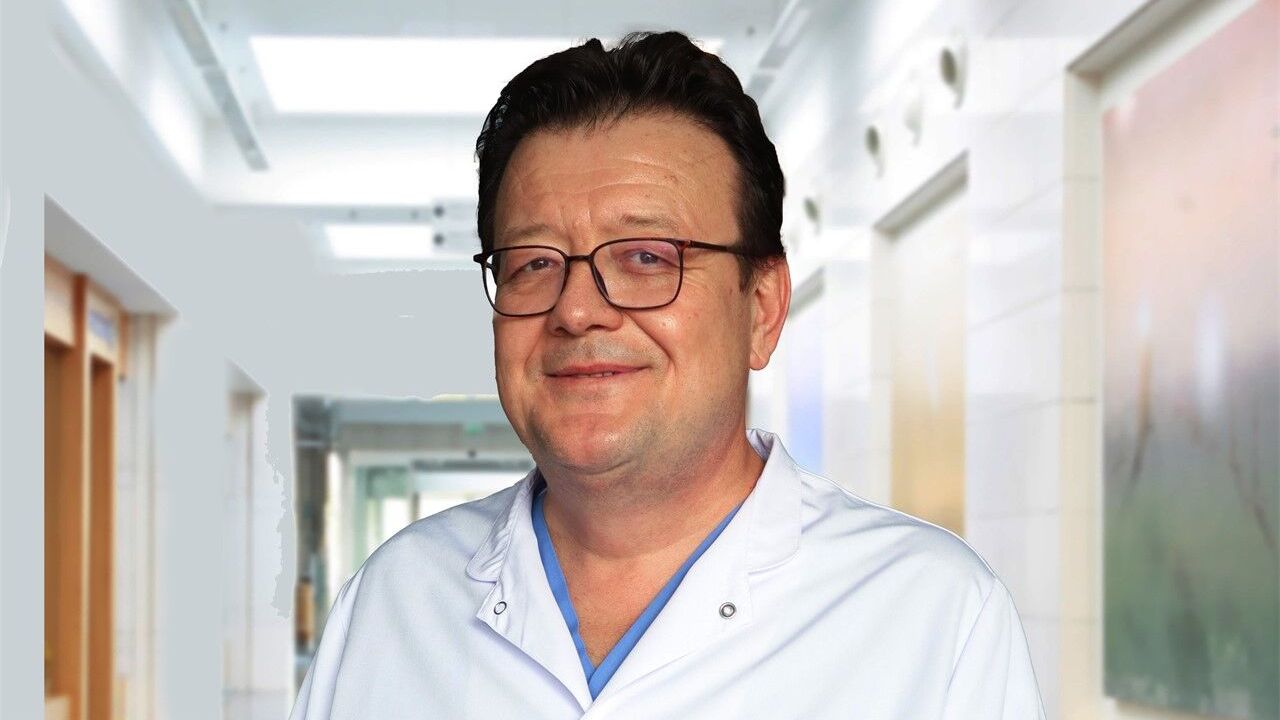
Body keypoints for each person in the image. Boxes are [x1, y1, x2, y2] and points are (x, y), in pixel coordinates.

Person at [290, 31, 1045, 719]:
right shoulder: (392, 605)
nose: (576, 310)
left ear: (762, 308)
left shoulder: (934, 618)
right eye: (533, 264)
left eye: (647, 257)